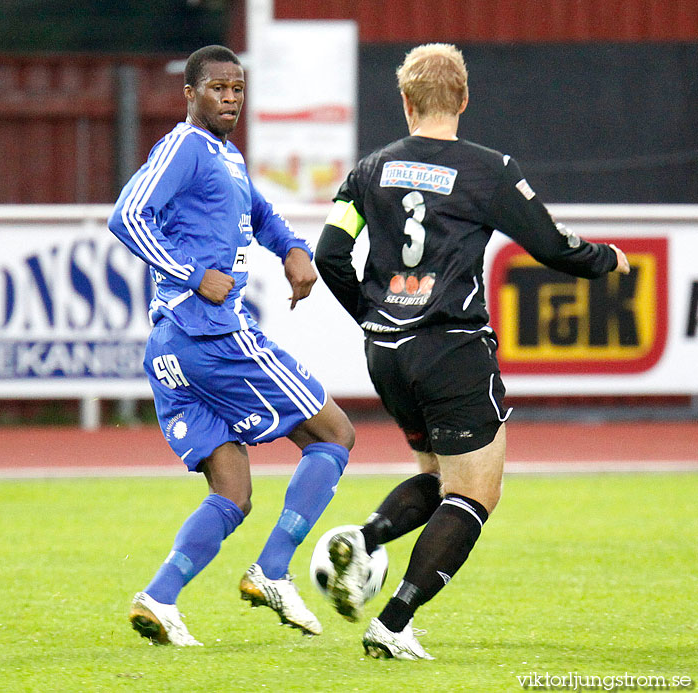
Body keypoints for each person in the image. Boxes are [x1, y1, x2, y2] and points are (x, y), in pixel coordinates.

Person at [315, 43, 630, 660]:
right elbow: (551, 245)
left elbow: (330, 253)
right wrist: (606, 260)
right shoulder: (489, 169)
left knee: (438, 477)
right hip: (453, 350)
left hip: (387, 353)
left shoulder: (369, 169)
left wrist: (375, 316)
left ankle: (367, 536)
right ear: (462, 99)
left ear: (405, 102)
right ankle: (396, 621)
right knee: (476, 493)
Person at [108, 45, 355, 646]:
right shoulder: (185, 147)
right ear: (189, 95)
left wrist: (294, 248)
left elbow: (261, 215)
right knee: (335, 434)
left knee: (233, 492)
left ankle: (160, 597)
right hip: (210, 334)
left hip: (171, 349)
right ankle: (272, 571)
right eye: (217, 89)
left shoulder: (226, 156)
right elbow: (127, 215)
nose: (229, 99)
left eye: (237, 90)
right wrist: (194, 273)